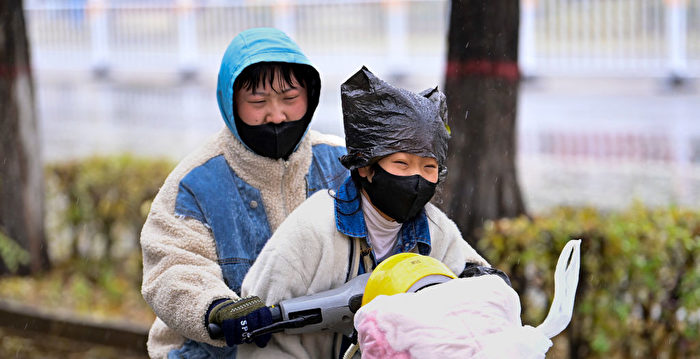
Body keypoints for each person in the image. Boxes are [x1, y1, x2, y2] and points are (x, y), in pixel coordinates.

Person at [235, 67, 507, 358]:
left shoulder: (438, 230)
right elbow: (259, 329)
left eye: (428, 167)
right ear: (365, 166)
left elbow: (473, 286)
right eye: (401, 164)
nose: (415, 179)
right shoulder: (312, 227)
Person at [139, 27, 347, 359]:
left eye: (290, 99)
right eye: (257, 101)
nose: (276, 115)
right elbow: (173, 268)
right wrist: (217, 310)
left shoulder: (343, 164)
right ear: (230, 101)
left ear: (310, 96)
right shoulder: (194, 182)